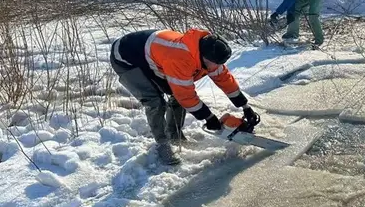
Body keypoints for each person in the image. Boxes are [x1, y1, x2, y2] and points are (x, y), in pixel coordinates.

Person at [110, 29, 260, 165]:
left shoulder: (210, 53)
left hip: (153, 55)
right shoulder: (180, 59)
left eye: (219, 64)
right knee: (155, 102)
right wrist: (208, 117)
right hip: (125, 58)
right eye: (213, 64)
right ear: (202, 57)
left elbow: (225, 80)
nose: (215, 68)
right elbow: (186, 96)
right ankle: (163, 145)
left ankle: (175, 135)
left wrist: (245, 107)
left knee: (177, 93)